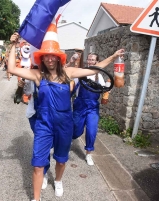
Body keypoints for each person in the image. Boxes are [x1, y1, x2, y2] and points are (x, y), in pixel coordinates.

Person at [9, 22, 124, 201]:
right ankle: (36, 198)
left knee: (61, 160)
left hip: (64, 124)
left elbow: (95, 68)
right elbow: (12, 69)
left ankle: (59, 181)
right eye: (46, 56)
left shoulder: (68, 72)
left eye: (52, 56)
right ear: (42, 58)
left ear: (58, 58)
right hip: (44, 124)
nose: (49, 59)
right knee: (38, 164)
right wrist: (13, 46)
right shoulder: (38, 75)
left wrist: (113, 56)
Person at [72, 53, 107, 166]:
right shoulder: (80, 74)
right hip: (80, 105)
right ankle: (70, 139)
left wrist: (107, 90)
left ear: (97, 62)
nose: (91, 61)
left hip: (92, 107)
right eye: (89, 59)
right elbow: (72, 87)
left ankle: (88, 154)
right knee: (77, 130)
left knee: (92, 131)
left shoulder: (99, 76)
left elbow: (103, 90)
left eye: (93, 60)